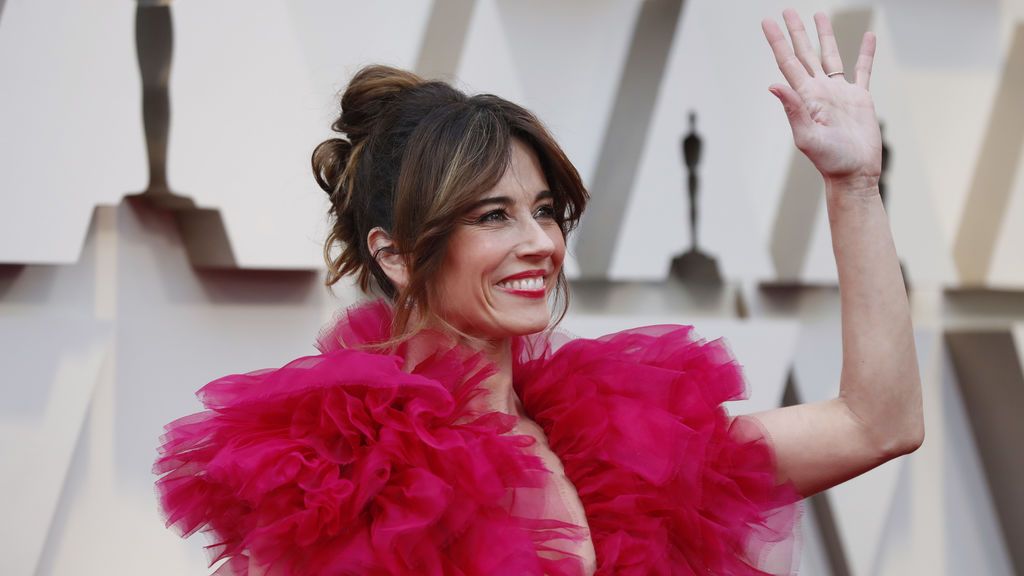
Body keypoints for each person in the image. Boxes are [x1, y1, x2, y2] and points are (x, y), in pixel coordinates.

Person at [154, 10, 923, 575]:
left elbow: (877, 423)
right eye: (494, 215)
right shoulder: (334, 473)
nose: (541, 242)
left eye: (546, 210)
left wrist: (852, 184)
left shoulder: (618, 432)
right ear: (394, 254)